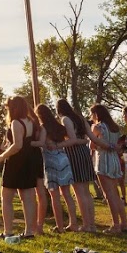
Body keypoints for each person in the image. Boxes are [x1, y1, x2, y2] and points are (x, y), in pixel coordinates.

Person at [0, 96, 41, 237]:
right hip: (29, 160)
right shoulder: (31, 122)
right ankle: (29, 231)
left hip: (16, 161)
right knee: (27, 196)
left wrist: (2, 156)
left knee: (6, 197)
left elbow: (17, 145)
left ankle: (8, 231)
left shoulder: (16, 123)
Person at [55, 99, 99, 234]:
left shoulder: (65, 119)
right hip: (84, 152)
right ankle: (91, 224)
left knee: (79, 192)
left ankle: (86, 224)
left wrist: (57, 145)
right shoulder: (80, 118)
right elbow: (91, 137)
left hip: (73, 153)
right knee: (86, 192)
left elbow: (72, 139)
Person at [37, 105, 80, 232]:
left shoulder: (44, 127)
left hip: (51, 160)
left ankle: (60, 226)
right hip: (63, 157)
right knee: (67, 194)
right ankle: (74, 223)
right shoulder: (59, 127)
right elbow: (70, 138)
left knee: (54, 195)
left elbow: (41, 142)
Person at [88, 105, 127, 234]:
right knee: (115, 193)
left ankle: (115, 225)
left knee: (109, 194)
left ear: (96, 114)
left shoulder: (97, 127)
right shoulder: (114, 127)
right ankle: (124, 223)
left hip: (103, 160)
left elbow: (92, 145)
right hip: (115, 160)